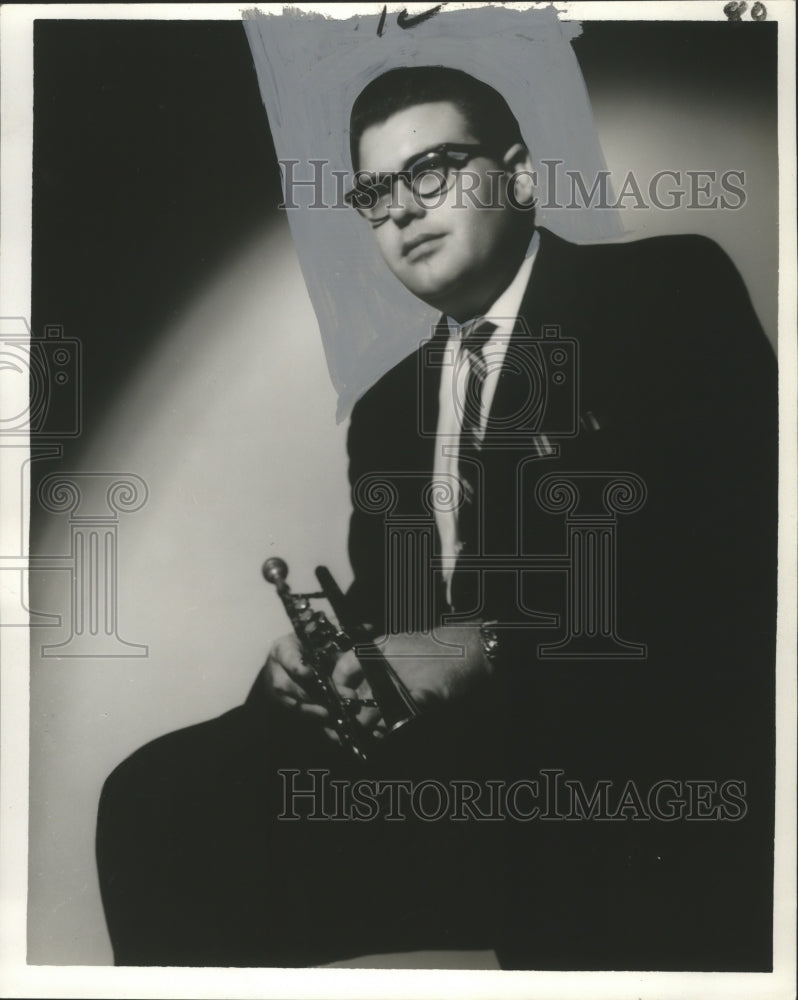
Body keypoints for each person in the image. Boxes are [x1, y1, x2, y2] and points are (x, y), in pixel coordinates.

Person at [96, 66, 777, 970]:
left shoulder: (662, 290)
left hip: (636, 761)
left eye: (435, 170)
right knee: (159, 801)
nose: (404, 210)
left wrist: (485, 645)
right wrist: (324, 665)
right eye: (377, 192)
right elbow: (396, 622)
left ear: (521, 176)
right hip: (466, 783)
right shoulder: (387, 408)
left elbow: (735, 561)